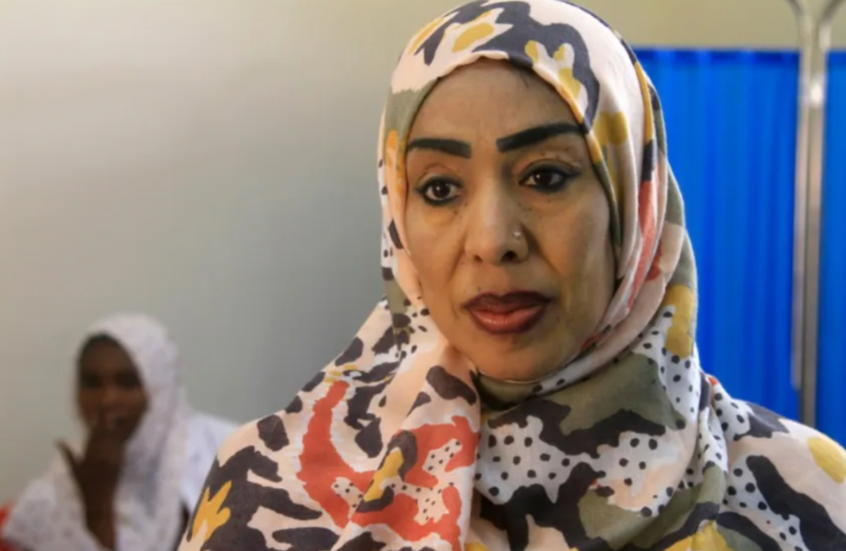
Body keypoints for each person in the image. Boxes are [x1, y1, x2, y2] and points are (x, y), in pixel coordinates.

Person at [180, 1, 846, 549]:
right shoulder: (264, 491)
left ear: (632, 205)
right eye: (440, 188)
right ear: (398, 219)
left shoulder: (810, 497)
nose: (493, 241)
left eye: (545, 176)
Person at [0, 313, 236, 551]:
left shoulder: (225, 455)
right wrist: (98, 504)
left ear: (160, 389)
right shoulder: (60, 487)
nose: (107, 400)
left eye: (126, 382)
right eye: (92, 383)